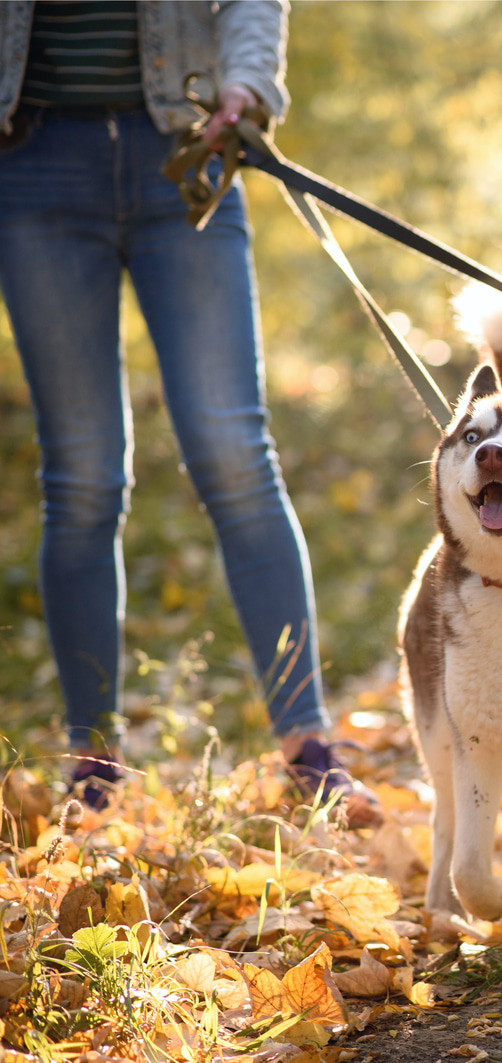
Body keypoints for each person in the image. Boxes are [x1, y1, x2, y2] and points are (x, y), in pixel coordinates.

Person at [0, 1, 381, 828]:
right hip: (30, 164)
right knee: (82, 477)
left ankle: (309, 754)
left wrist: (248, 81)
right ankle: (91, 768)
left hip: (185, 144)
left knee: (236, 453)